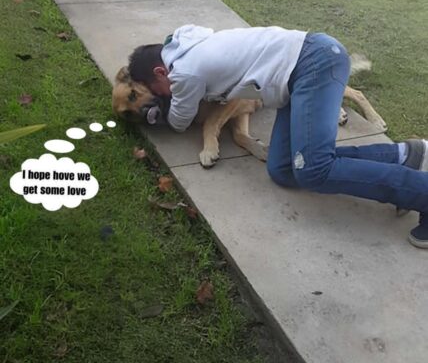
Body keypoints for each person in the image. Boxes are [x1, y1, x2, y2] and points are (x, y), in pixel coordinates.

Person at [128, 24, 428, 248]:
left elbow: (180, 121)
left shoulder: (185, 70)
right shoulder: (186, 44)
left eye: (158, 93)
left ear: (160, 72)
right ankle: (403, 155)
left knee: (313, 170)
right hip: (296, 79)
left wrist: (158, 113)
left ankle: (421, 193)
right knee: (283, 168)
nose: (163, 97)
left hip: (316, 64)